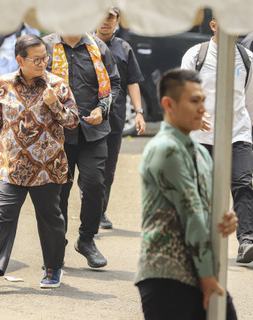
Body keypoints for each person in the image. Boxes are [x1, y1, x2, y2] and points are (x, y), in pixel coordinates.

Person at [0, 34, 79, 292]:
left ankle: (53, 267)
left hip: (47, 166)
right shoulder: (2, 84)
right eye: (36, 59)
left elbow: (73, 121)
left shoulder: (58, 85)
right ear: (20, 59)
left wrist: (55, 106)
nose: (43, 63)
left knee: (50, 218)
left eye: (45, 58)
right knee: (2, 214)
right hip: (11, 164)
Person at [135, 68, 238, 320]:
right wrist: (207, 277)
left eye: (203, 100)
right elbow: (192, 213)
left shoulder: (199, 151)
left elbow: (206, 209)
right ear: (168, 104)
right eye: (194, 101)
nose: (202, 108)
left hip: (199, 269)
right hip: (167, 275)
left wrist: (226, 220)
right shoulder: (165, 149)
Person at [43, 32, 121, 269]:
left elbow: (114, 83)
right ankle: (59, 243)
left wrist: (102, 109)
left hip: (93, 130)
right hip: (58, 134)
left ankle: (86, 239)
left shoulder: (97, 46)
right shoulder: (46, 46)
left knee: (95, 185)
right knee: (59, 193)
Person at [181, 18, 253, 264]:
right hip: (202, 135)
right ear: (213, 25)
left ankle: (246, 241)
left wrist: (248, 131)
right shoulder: (196, 55)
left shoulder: (247, 58)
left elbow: (249, 101)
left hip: (238, 133)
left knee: (244, 184)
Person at [95, 6, 146, 229]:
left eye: (111, 18)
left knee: (108, 168)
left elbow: (132, 81)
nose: (105, 22)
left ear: (118, 21)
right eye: (101, 17)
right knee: (88, 168)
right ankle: (90, 211)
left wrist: (139, 112)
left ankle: (100, 211)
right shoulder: (83, 45)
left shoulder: (124, 48)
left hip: (114, 118)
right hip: (88, 117)